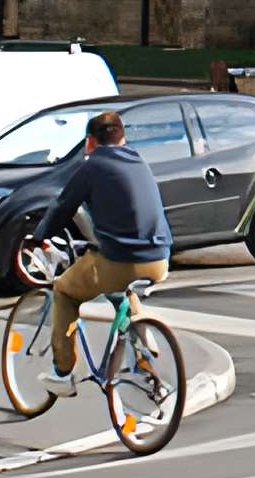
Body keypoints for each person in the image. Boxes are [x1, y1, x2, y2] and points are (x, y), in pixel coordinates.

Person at [41, 111, 173, 383]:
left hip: (122, 261)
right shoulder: (139, 160)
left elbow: (63, 208)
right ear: (123, 137)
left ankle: (63, 373)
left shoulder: (92, 167)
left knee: (65, 291)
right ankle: (140, 336)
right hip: (160, 258)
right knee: (120, 286)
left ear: (90, 142)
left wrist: (38, 235)